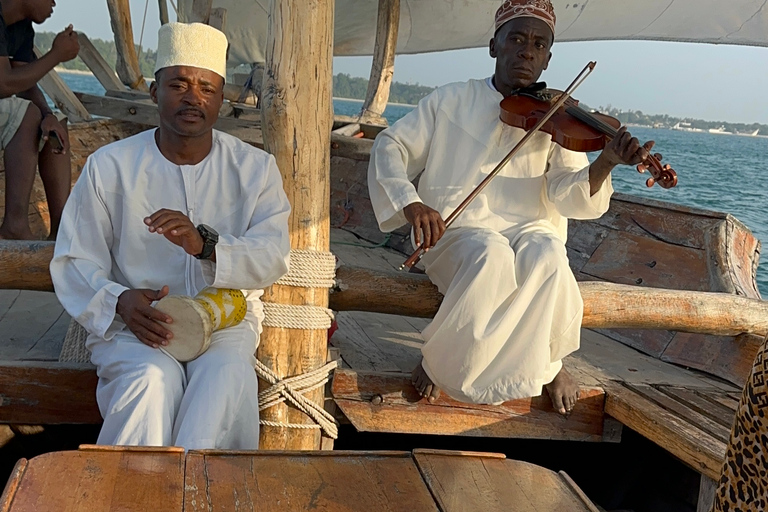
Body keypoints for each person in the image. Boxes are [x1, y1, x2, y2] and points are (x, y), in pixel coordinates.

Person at [368, 0, 654, 415]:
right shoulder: (450, 100)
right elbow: (389, 146)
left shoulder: (558, 113)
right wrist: (412, 204)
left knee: (549, 256)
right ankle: (443, 361)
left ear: (547, 58)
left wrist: (606, 162)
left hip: (530, 232)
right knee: (490, 254)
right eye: (516, 38)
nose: (526, 51)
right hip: (456, 235)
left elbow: (567, 195)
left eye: (538, 44)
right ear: (494, 46)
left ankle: (549, 364)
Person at [50, 22, 291, 449]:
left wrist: (207, 246)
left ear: (220, 100)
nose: (193, 97)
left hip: (224, 322)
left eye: (207, 88)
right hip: (137, 323)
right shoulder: (110, 166)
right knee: (150, 382)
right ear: (154, 91)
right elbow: (74, 260)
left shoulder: (255, 169)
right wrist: (118, 301)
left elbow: (273, 256)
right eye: (178, 84)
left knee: (223, 381)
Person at [0, 0, 80, 240]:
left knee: (55, 123)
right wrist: (56, 55)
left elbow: (25, 83)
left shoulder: (21, 28)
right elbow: (4, 83)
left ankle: (60, 233)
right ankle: (14, 226)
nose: (55, 2)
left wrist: (49, 115)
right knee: (27, 114)